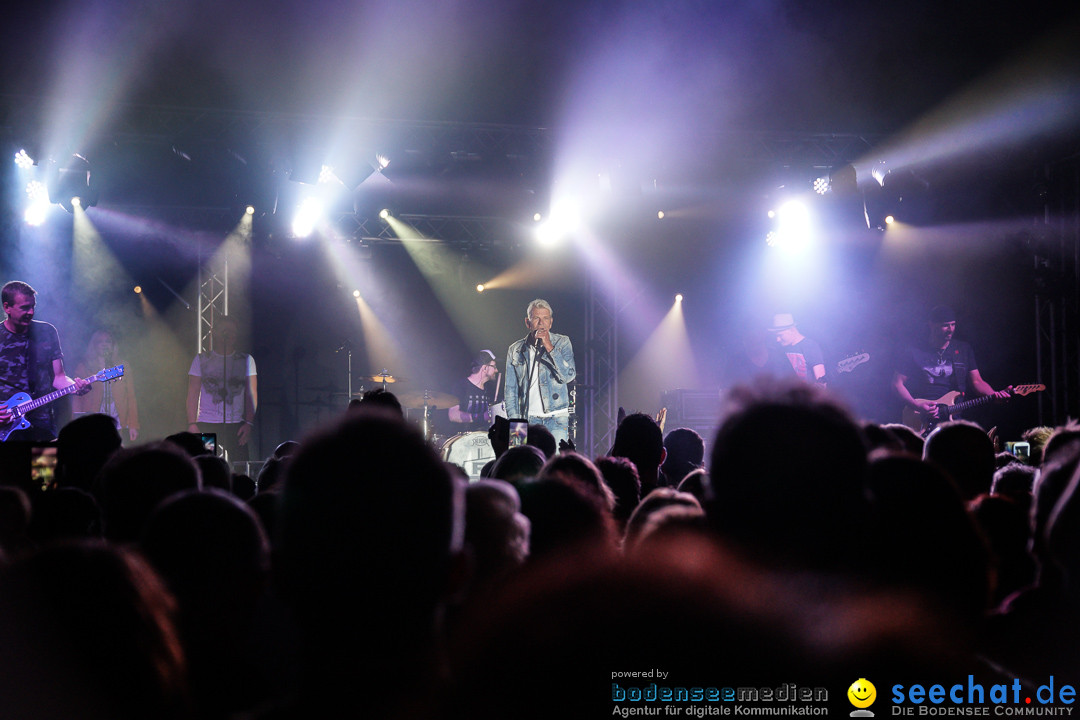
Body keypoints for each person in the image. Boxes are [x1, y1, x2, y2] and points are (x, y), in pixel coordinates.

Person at [892, 305, 1009, 434]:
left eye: (953, 325)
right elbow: (897, 383)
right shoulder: (914, 351)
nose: (950, 330)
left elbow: (977, 382)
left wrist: (993, 394)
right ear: (931, 325)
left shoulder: (963, 349)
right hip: (922, 418)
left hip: (952, 420)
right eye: (945, 325)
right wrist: (917, 406)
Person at [0, 280, 90, 441]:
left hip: (43, 425)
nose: (31, 312)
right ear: (7, 307)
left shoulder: (46, 332)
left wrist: (75, 387)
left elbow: (59, 377)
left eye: (33, 306)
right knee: (11, 467)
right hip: (6, 427)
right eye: (24, 307)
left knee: (44, 466)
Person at [504, 299, 576, 446]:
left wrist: (549, 346)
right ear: (528, 322)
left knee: (554, 464)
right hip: (525, 417)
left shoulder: (562, 342)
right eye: (536, 318)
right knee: (522, 462)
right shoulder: (515, 349)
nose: (541, 323)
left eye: (545, 318)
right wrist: (515, 422)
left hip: (556, 417)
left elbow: (569, 376)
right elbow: (510, 390)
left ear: (551, 322)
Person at [186, 316, 257, 463]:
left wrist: (248, 423)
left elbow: (251, 394)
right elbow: (193, 393)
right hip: (207, 423)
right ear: (214, 332)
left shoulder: (245, 360)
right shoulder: (201, 359)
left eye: (233, 331)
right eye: (225, 331)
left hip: (236, 424)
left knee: (240, 465)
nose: (230, 335)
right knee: (206, 464)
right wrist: (192, 423)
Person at [73, 329, 139, 442]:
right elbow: (77, 399)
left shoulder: (123, 366)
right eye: (100, 341)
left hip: (117, 420)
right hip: (93, 420)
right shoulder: (84, 367)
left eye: (108, 341)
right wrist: (77, 423)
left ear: (113, 345)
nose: (104, 344)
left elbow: (130, 397)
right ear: (94, 345)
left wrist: (133, 424)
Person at [768, 312, 826, 384]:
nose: (778, 339)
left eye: (780, 335)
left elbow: (821, 378)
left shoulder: (809, 345)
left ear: (792, 330)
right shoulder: (782, 349)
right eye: (776, 336)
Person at [449, 350, 500, 430]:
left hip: (485, 437)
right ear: (485, 368)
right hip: (464, 439)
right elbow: (453, 415)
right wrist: (482, 417)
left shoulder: (490, 390)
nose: (496, 370)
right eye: (494, 367)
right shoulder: (461, 386)